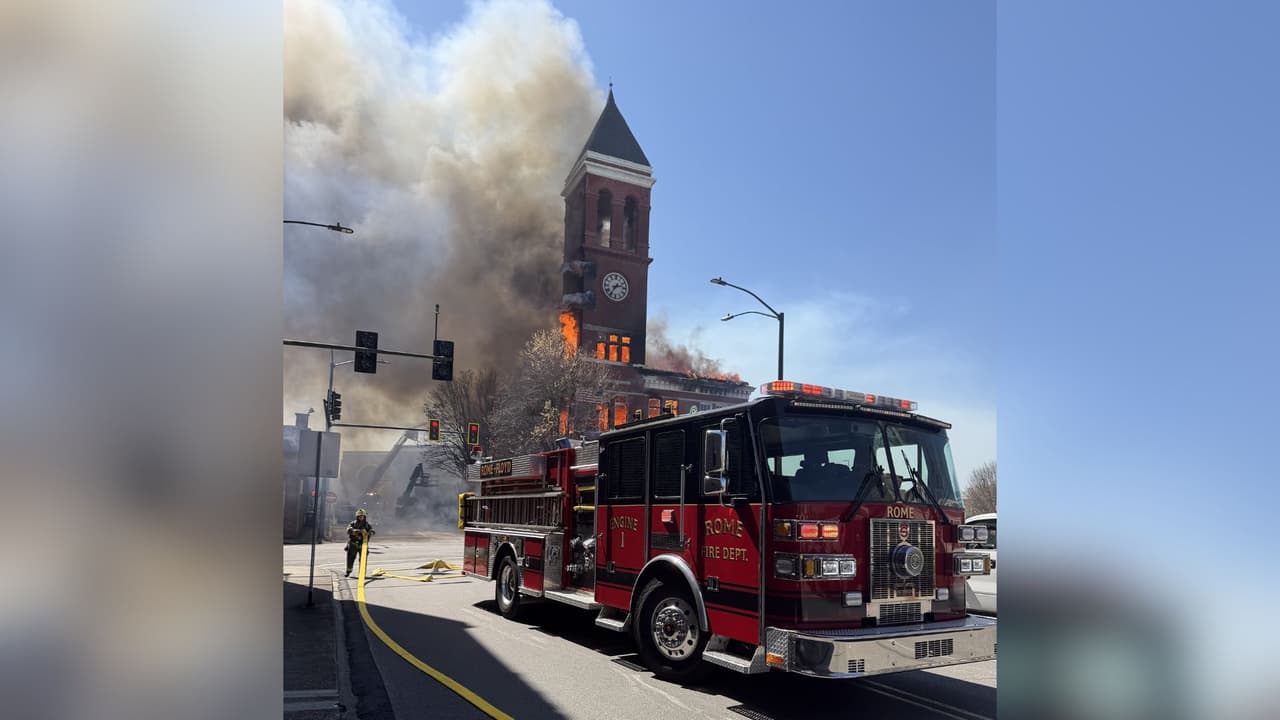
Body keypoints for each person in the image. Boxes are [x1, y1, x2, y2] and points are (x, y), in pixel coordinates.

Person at [345, 509, 375, 577]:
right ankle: (348, 571)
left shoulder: (367, 525)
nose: (361, 517)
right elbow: (348, 530)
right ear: (357, 517)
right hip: (353, 544)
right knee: (350, 558)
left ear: (364, 517)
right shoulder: (353, 523)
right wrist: (355, 531)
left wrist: (369, 532)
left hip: (363, 545)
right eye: (359, 516)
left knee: (363, 560)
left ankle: (362, 573)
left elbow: (373, 531)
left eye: (362, 516)